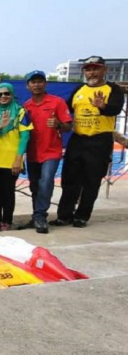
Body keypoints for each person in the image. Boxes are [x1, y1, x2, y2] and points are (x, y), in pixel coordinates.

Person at [54, 56, 126, 228]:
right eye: (88, 69)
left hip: (99, 141)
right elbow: (65, 109)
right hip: (78, 139)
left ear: (104, 70)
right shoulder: (79, 89)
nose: (92, 72)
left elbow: (115, 109)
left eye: (95, 68)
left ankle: (82, 216)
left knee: (91, 181)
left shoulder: (113, 89)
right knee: (69, 179)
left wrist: (102, 107)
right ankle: (64, 215)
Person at [19, 71, 72, 234]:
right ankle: (37, 216)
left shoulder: (58, 102)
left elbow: (68, 127)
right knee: (35, 186)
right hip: (33, 152)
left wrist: (58, 124)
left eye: (40, 81)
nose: (36, 85)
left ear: (45, 84)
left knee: (46, 182)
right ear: (28, 86)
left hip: (51, 152)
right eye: (33, 82)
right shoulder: (26, 106)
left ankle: (41, 215)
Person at [0, 83, 32, 231]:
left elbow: (25, 136)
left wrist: (18, 158)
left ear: (12, 94)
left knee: (8, 192)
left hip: (11, 160)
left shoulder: (20, 112)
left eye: (6, 94)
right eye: (0, 94)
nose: (3, 96)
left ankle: (7, 221)